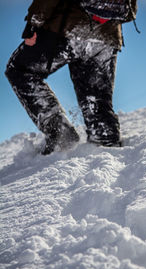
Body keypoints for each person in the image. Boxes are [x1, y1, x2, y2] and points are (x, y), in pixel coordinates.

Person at [5, 0, 137, 155]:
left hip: (66, 27)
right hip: (106, 37)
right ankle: (106, 145)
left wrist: (33, 24)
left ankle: (60, 131)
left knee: (19, 70)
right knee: (96, 99)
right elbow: (130, 12)